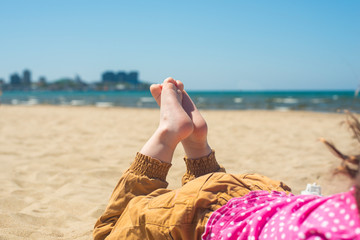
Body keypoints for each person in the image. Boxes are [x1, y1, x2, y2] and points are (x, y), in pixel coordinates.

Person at [94, 78, 360, 240]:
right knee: (109, 232)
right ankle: (168, 134)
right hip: (204, 217)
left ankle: (197, 145)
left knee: (203, 195)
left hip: (265, 195)